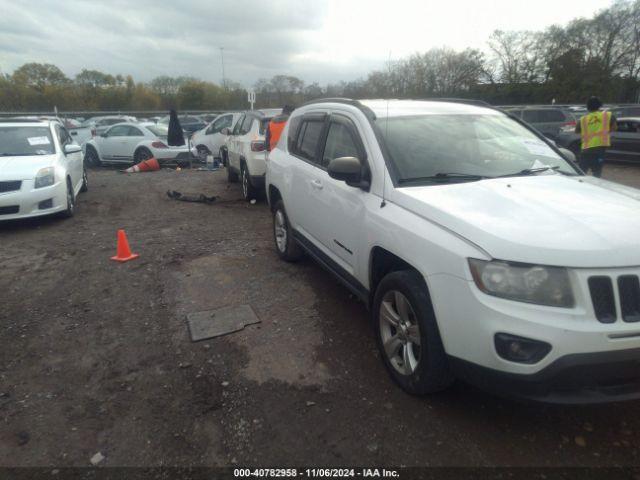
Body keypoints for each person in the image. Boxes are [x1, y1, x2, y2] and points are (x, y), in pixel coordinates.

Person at [575, 96, 616, 178]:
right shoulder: (608, 115)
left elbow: (576, 131)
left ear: (587, 107)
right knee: (597, 174)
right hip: (599, 150)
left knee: (581, 174)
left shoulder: (583, 119)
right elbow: (614, 128)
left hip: (586, 150)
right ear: (600, 106)